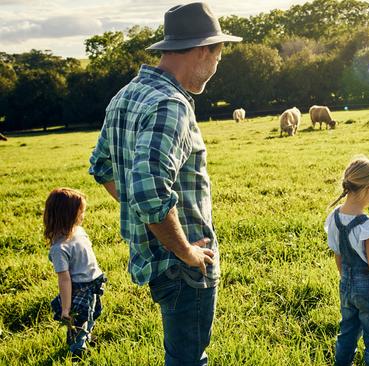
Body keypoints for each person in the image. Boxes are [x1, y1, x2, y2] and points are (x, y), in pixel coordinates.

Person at [88, 2, 241, 365]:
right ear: (205, 50)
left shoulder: (126, 95)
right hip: (183, 267)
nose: (216, 68)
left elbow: (102, 168)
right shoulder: (170, 104)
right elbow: (148, 189)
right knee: (189, 359)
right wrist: (185, 249)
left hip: (154, 260)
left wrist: (147, 220)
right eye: (218, 56)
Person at [324, 157, 369, 366]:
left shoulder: (334, 218)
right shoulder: (368, 227)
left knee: (347, 331)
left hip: (346, 285)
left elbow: (338, 254)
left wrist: (346, 279)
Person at [45, 188, 106, 357]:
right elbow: (64, 280)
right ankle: (77, 351)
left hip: (94, 282)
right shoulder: (59, 248)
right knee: (79, 320)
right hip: (79, 287)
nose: (83, 215)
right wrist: (66, 308)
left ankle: (86, 336)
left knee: (92, 313)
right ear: (67, 215)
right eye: (81, 212)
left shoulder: (78, 231)